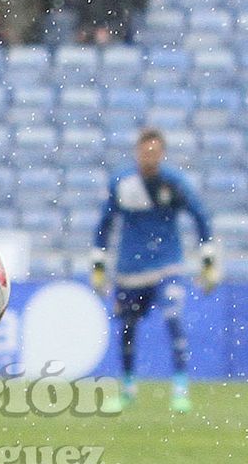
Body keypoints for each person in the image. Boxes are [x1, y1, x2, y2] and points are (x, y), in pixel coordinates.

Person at [91, 127, 217, 414]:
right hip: (129, 270)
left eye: (155, 151)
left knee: (173, 318)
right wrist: (98, 264)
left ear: (162, 154)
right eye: (145, 151)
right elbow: (105, 225)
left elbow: (200, 218)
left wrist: (208, 259)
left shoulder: (173, 183)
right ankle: (127, 388)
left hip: (166, 265)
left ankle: (181, 389)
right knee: (126, 327)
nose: (150, 156)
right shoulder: (122, 183)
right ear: (137, 152)